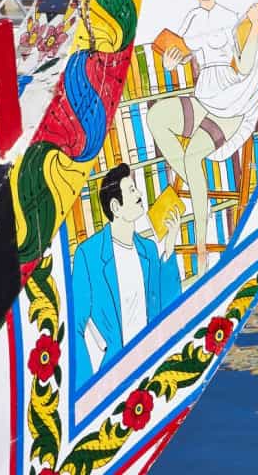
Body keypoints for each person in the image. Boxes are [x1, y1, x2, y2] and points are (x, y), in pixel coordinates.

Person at [145, 0, 258, 270]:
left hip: (229, 102)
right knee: (155, 117)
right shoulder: (191, 19)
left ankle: (202, 245)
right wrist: (171, 62)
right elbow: (180, 57)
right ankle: (195, 185)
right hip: (203, 95)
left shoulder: (231, 17)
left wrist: (253, 27)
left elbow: (245, 67)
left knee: (193, 156)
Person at [67, 163, 183, 384]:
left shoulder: (148, 249)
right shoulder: (89, 255)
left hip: (152, 366)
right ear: (115, 207)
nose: (140, 194)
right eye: (131, 190)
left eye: (136, 188)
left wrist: (169, 248)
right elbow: (75, 326)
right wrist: (85, 388)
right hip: (115, 374)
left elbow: (167, 309)